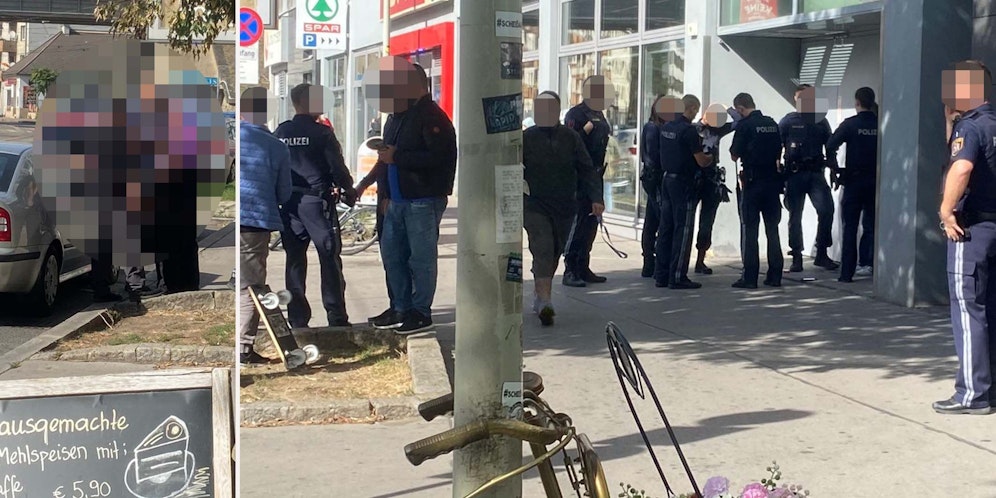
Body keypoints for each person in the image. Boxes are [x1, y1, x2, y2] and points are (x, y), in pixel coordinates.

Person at [370, 61, 457, 335]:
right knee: (393, 256)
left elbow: (439, 158)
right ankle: (400, 306)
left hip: (423, 198)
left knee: (420, 259)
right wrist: (381, 193)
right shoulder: (396, 117)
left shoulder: (432, 116)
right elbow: (386, 158)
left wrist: (398, 157)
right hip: (396, 200)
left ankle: (421, 311)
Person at [933, 60, 996, 416]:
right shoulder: (991, 124)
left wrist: (946, 210)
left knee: (969, 310)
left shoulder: (970, 129)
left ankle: (971, 393)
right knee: (991, 309)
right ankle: (989, 388)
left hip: (971, 230)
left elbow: (962, 166)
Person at [274, 84, 357, 328]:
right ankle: (336, 316)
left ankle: (297, 319)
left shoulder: (282, 131)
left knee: (295, 261)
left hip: (290, 204)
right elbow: (337, 167)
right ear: (305, 101)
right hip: (316, 204)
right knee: (329, 258)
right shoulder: (322, 133)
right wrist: (348, 188)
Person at [523, 91, 604, 326]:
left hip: (565, 204)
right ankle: (546, 301)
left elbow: (586, 169)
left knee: (555, 250)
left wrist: (596, 198)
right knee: (543, 246)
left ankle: (540, 292)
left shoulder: (570, 137)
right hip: (534, 203)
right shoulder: (526, 137)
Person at [238, 87, 292, 365]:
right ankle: (243, 349)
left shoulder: (231, 138)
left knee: (240, 283)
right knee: (251, 287)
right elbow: (284, 192)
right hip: (255, 221)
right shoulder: (276, 146)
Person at [654, 94, 713, 289]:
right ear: (693, 108)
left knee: (666, 228)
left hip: (667, 180)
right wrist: (710, 157)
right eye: (696, 109)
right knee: (684, 229)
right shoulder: (688, 131)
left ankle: (661, 275)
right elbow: (701, 160)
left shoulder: (667, 127)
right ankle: (678, 276)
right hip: (683, 183)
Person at [779, 84, 837, 272]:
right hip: (795, 174)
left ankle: (821, 253)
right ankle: (796, 256)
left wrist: (834, 169)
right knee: (795, 215)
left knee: (826, 210)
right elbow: (776, 145)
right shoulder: (788, 120)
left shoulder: (821, 121)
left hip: (815, 174)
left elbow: (830, 147)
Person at [729, 93, 784, 289]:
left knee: (750, 231)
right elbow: (779, 150)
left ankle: (750, 277)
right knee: (773, 230)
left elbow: (734, 154)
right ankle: (775, 275)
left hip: (752, 184)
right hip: (772, 183)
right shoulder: (771, 123)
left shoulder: (744, 126)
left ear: (741, 108)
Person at [562, 75, 614, 287]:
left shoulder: (599, 113)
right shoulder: (576, 114)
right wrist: (584, 131)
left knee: (592, 221)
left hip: (596, 173)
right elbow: (570, 145)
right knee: (579, 222)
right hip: (580, 176)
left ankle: (583, 266)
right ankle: (570, 269)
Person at [826, 87, 879, 283]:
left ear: (857, 102)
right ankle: (868, 263)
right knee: (872, 226)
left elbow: (831, 145)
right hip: (875, 181)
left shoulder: (850, 125)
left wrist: (834, 169)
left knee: (850, 227)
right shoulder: (880, 124)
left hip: (854, 181)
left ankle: (846, 273)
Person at [694, 104, 736, 275]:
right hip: (694, 177)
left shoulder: (718, 130)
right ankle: (678, 260)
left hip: (711, 179)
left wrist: (729, 109)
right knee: (685, 222)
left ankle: (700, 260)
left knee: (707, 222)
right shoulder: (693, 129)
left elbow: (739, 122)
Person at [640, 95, 666, 278]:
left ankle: (650, 261)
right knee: (659, 220)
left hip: (655, 178)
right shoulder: (653, 128)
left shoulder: (659, 127)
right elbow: (652, 156)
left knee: (652, 219)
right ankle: (651, 261)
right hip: (655, 178)